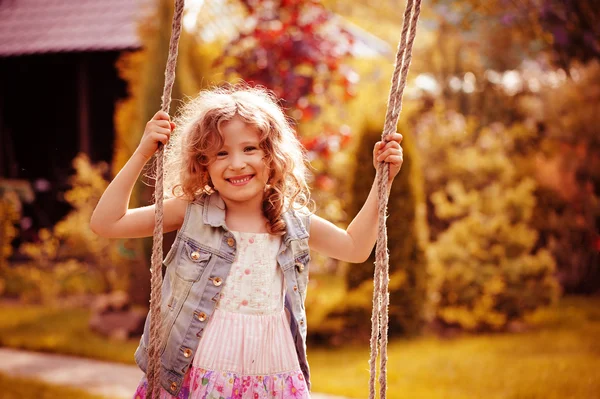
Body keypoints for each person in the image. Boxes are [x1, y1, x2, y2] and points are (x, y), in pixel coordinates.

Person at [90, 84, 403, 399]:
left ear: (271, 156)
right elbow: (107, 223)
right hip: (202, 368)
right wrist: (144, 151)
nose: (236, 163)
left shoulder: (292, 222)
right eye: (221, 153)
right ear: (203, 165)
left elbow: (355, 248)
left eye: (249, 149)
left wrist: (382, 181)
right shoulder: (193, 212)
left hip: (272, 373)